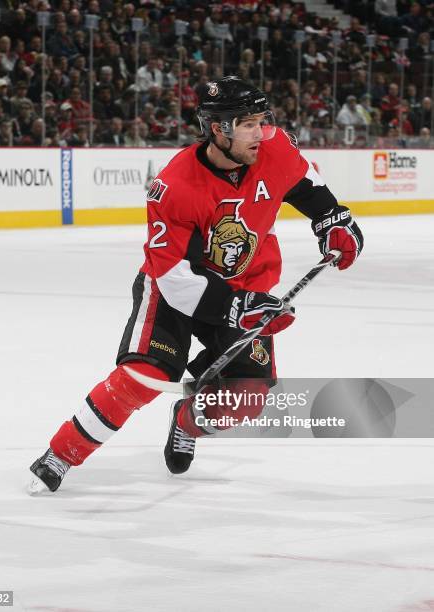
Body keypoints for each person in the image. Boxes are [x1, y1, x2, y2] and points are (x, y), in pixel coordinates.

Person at [28, 77, 364, 494]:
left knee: (246, 398)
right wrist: (238, 307)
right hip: (176, 289)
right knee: (144, 377)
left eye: (262, 120)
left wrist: (332, 218)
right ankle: (61, 454)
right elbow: (175, 277)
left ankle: (185, 419)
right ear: (218, 128)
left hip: (246, 283)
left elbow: (303, 180)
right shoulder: (176, 186)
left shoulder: (271, 146)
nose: (260, 133)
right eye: (247, 124)